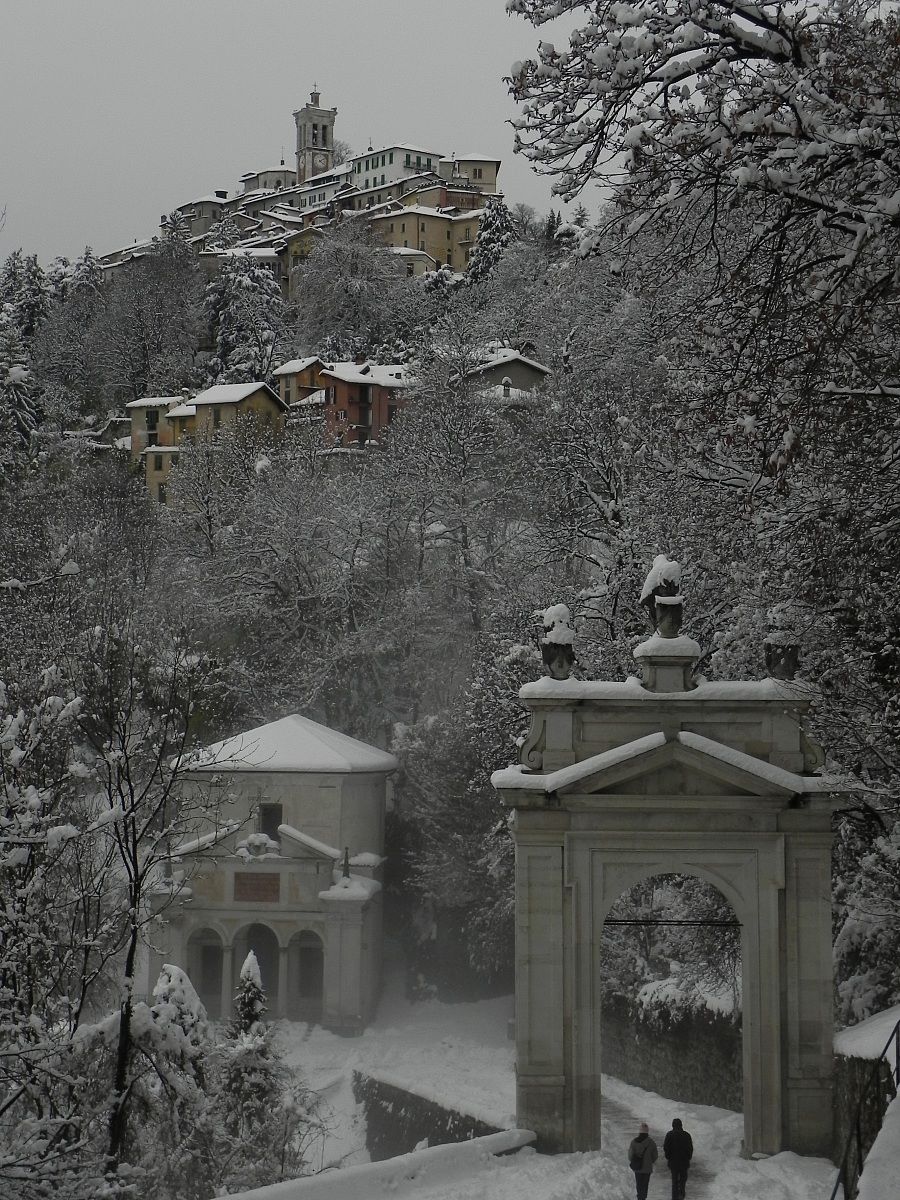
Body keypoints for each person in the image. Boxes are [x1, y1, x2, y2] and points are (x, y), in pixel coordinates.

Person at [663, 1117, 693, 1200]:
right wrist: (688, 1157)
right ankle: (681, 1195)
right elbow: (690, 1148)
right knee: (683, 1181)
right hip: (684, 1162)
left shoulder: (669, 1134)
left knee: (674, 1181)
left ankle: (674, 1197)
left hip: (673, 1162)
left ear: (673, 1125)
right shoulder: (687, 1135)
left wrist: (668, 1157)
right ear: (681, 1125)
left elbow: (666, 1147)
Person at [628, 1121, 658, 1200]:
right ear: (647, 1131)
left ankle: (639, 1197)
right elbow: (655, 1156)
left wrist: (635, 1160)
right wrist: (650, 1161)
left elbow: (630, 1156)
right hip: (647, 1168)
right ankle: (643, 1197)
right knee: (645, 1185)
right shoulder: (651, 1142)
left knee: (639, 1184)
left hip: (637, 1168)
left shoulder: (634, 1142)